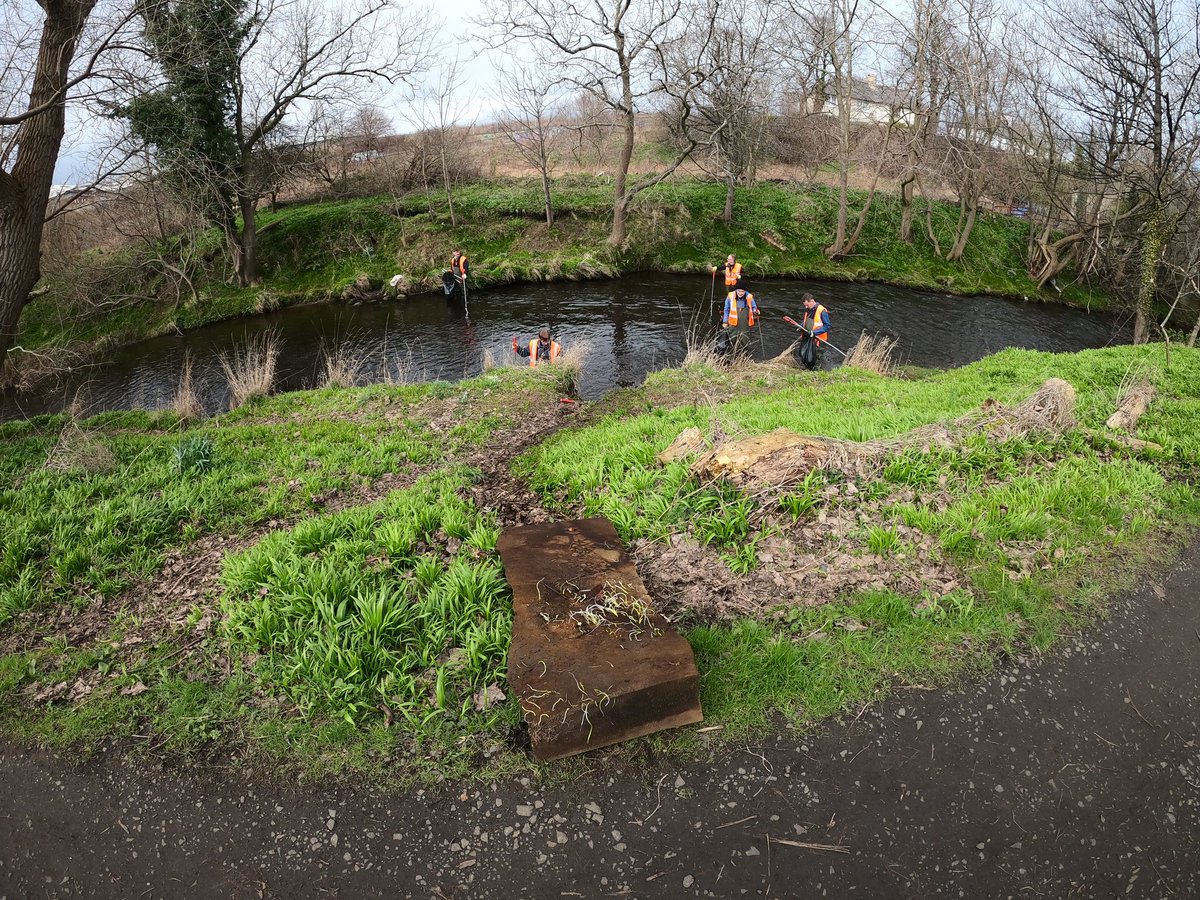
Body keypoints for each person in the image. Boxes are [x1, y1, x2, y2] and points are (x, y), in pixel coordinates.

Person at [796, 292, 830, 370]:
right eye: (805, 305)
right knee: (805, 354)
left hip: (819, 339)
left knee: (817, 357)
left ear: (812, 301)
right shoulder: (808, 310)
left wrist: (814, 333)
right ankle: (806, 369)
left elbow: (827, 326)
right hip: (808, 337)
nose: (805, 307)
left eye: (807, 305)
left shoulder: (822, 311)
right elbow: (806, 321)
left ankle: (817, 372)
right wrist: (801, 326)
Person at [721, 286, 759, 355]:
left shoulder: (749, 297)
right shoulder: (730, 296)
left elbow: (754, 307)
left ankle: (744, 356)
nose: (740, 293)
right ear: (736, 290)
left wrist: (755, 311)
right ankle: (732, 354)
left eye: (742, 291)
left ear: (745, 291)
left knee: (745, 340)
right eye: (739, 291)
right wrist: (725, 321)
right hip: (733, 323)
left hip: (745, 323)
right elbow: (726, 309)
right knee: (733, 339)